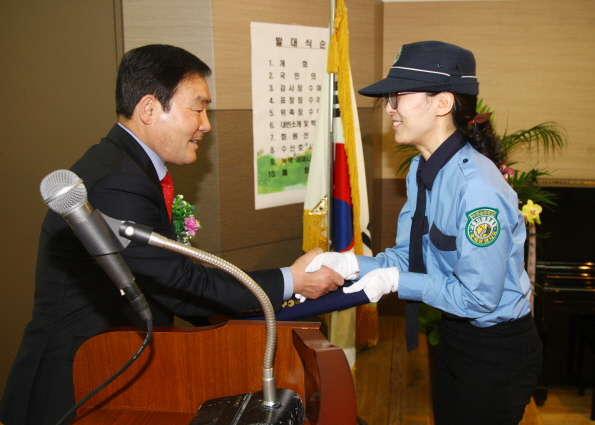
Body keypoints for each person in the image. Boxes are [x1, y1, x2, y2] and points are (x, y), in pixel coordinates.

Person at [0, 44, 343, 425]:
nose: (206, 123)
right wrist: (292, 280)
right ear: (149, 109)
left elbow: (171, 281)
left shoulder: (128, 165)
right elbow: (179, 283)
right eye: (198, 108)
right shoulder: (117, 181)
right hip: (76, 380)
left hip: (113, 365)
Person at [306, 41, 542, 425]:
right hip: (456, 333)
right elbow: (409, 256)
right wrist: (352, 264)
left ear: (442, 103)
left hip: (496, 350)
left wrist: (398, 282)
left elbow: (480, 299)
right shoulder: (423, 170)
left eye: (399, 96)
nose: (389, 108)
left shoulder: (476, 188)